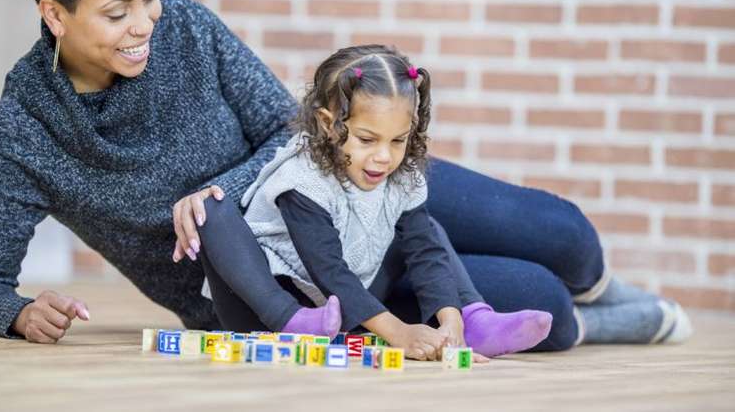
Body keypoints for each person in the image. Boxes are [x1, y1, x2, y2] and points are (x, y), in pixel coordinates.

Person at [0, 0, 690, 349]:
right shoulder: (26, 132)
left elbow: (291, 129)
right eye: (117, 13)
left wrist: (211, 192)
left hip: (350, 177)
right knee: (541, 300)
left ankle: (602, 289)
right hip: (284, 290)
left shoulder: (186, 29)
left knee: (564, 235)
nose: (145, 23)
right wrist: (19, 313)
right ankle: (593, 319)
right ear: (53, 15)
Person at [196, 45, 554, 360]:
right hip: (268, 308)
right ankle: (292, 320)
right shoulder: (301, 180)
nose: (384, 157)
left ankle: (474, 321)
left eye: (398, 140)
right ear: (327, 124)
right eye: (367, 139)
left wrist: (450, 319)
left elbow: (425, 252)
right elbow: (329, 269)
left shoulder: (402, 177)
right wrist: (399, 333)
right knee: (211, 210)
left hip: (352, 301)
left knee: (427, 231)